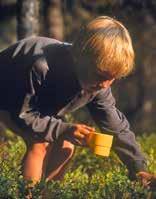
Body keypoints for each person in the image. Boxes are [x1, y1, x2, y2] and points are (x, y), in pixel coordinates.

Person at [0, 16, 155, 189]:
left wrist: (138, 168)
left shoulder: (98, 84)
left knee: (66, 145)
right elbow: (24, 114)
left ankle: (48, 193)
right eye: (100, 75)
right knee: (40, 142)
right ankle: (26, 194)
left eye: (112, 78)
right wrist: (62, 128)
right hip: (8, 98)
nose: (104, 84)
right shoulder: (41, 66)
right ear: (79, 57)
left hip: (36, 106)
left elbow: (116, 127)